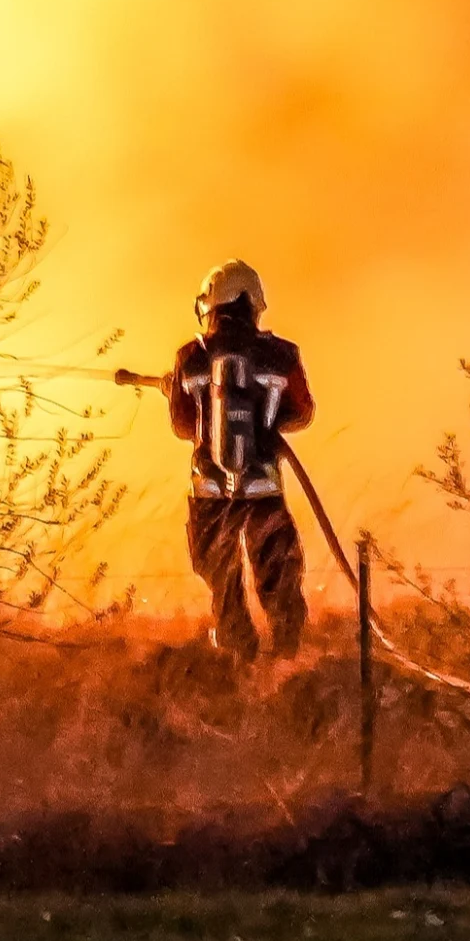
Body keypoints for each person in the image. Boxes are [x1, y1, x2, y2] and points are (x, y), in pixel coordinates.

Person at [168, 258, 313, 658]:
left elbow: (182, 426)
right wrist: (267, 428)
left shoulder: (188, 357)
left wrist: (179, 394)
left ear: (210, 305)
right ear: (253, 303)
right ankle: (288, 661)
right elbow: (303, 411)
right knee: (279, 574)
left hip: (209, 491)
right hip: (263, 486)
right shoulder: (283, 354)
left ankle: (236, 658)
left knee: (222, 580)